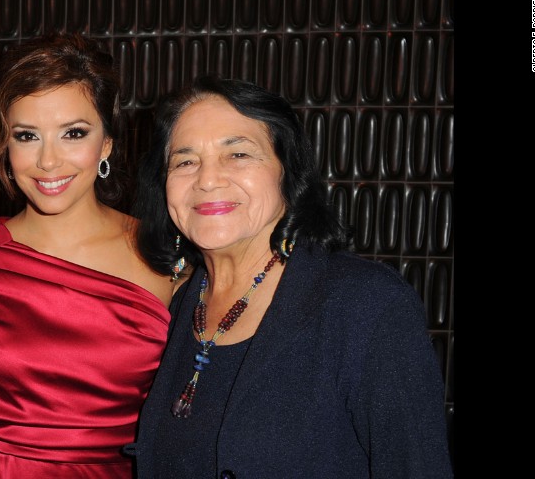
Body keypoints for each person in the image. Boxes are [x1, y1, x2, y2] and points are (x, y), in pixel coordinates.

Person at [127, 76, 453, 478]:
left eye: (239, 154)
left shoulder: (366, 306)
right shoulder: (177, 304)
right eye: (185, 161)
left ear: (288, 172)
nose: (207, 180)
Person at [0, 32, 177, 477]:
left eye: (73, 133)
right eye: (27, 136)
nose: (48, 161)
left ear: (106, 142)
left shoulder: (167, 254)